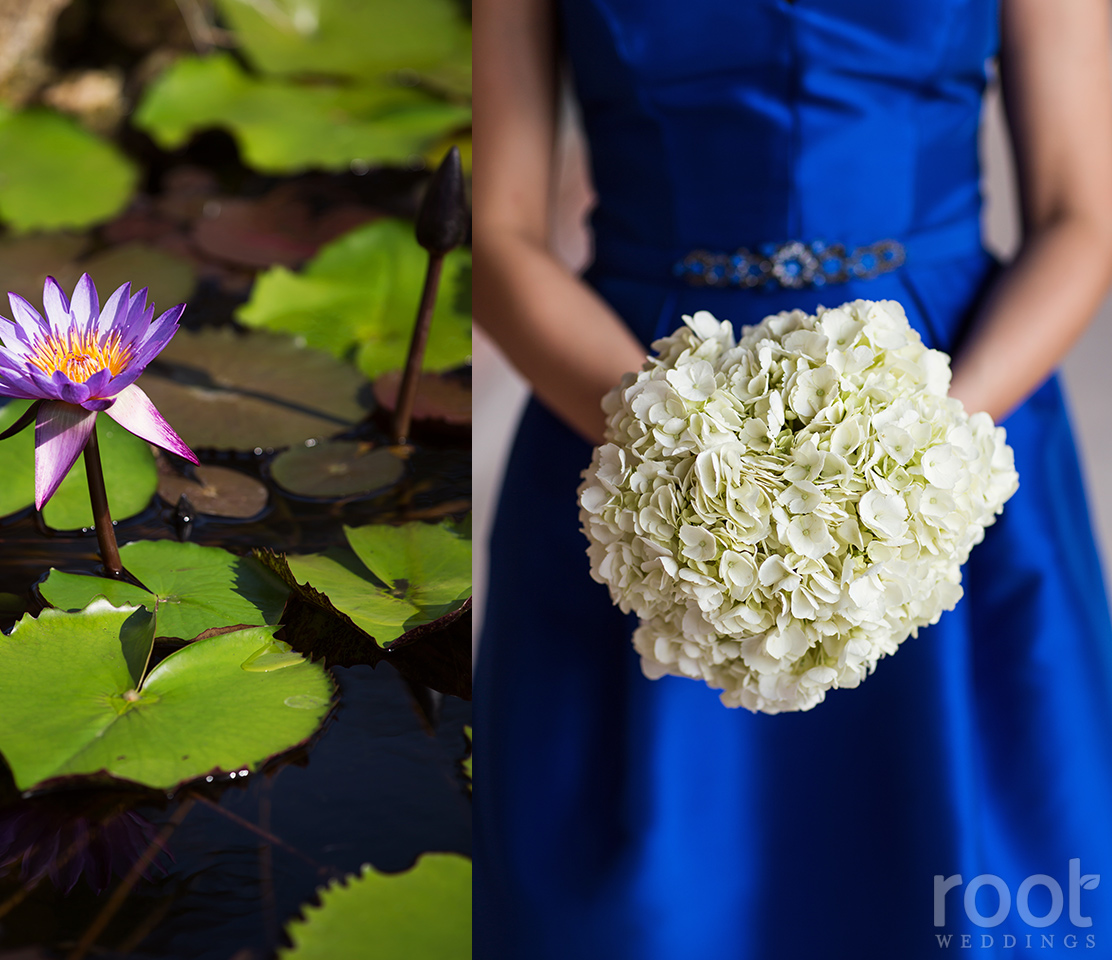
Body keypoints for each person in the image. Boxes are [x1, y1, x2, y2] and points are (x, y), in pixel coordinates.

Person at [472, 1, 1112, 957]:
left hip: (949, 392)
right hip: (631, 395)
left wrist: (926, 456)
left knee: (975, 889)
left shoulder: (937, 434)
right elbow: (498, 234)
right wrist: (670, 448)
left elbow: (1081, 215)